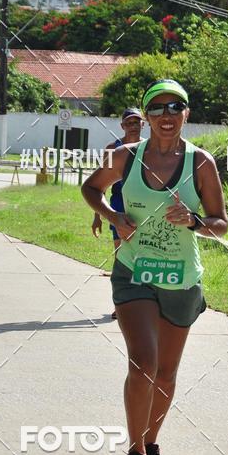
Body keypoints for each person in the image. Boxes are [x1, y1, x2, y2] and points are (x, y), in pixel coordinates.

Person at [82, 79, 228, 455]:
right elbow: (91, 188)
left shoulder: (201, 164)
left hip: (181, 279)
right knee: (143, 363)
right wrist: (112, 215)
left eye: (175, 107)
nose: (166, 116)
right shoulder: (124, 157)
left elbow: (220, 224)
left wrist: (195, 222)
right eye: (158, 108)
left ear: (187, 114)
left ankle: (151, 442)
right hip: (134, 272)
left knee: (165, 373)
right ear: (145, 117)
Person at [91, 108, 144, 319]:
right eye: (129, 122)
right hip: (118, 206)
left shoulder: (151, 148)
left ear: (144, 124)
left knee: (144, 255)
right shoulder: (112, 149)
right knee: (121, 256)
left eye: (137, 121)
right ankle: (121, 305)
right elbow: (98, 186)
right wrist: (97, 215)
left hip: (143, 206)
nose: (133, 125)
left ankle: (142, 304)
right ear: (122, 126)